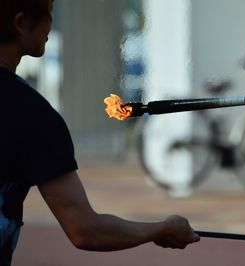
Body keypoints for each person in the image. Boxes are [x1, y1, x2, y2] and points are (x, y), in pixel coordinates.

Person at [0, 0, 200, 264]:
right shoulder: (32, 115)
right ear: (20, 23)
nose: (51, 23)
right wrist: (162, 228)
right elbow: (86, 230)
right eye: (49, 13)